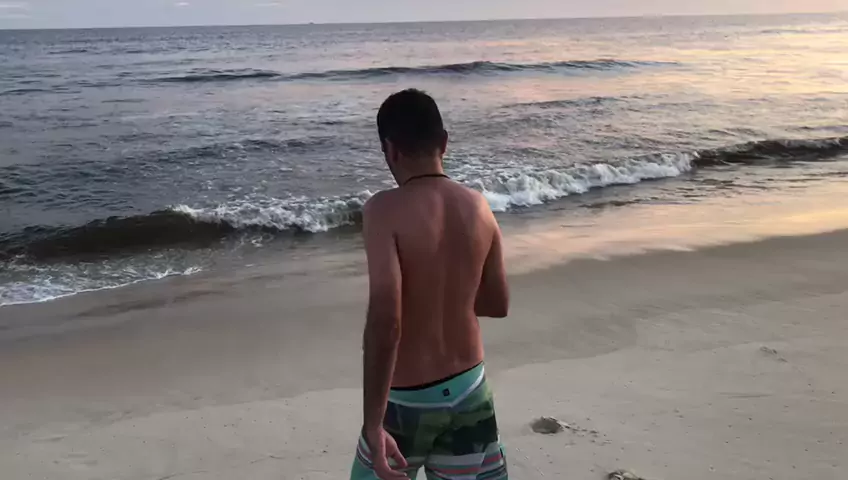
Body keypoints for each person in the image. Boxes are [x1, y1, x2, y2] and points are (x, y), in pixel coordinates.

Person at [350, 89, 510, 480]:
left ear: (390, 150)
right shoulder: (478, 206)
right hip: (471, 391)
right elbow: (497, 303)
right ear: (444, 142)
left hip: (407, 405)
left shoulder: (383, 209)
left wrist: (373, 423)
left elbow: (386, 322)